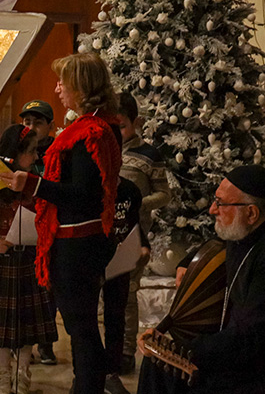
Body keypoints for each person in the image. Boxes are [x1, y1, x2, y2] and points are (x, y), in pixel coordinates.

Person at [0, 53, 122, 394]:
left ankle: (87, 387)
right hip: (78, 241)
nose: (57, 88)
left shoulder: (92, 132)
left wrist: (32, 184)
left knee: (81, 329)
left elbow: (83, 194)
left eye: (62, 82)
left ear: (80, 87)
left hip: (77, 245)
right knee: (80, 328)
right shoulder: (92, 126)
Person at [137, 165, 265, 394]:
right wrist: (185, 262)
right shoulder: (244, 233)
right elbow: (217, 243)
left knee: (164, 370)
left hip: (251, 367)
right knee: (155, 363)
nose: (212, 209)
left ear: (252, 213)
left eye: (221, 203)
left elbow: (251, 336)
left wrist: (185, 349)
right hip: (232, 346)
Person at [0, 124, 58, 394]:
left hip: (29, 258)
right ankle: (2, 375)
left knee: (26, 323)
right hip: (1, 259)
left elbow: (46, 216)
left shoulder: (36, 181)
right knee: (1, 323)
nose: (35, 157)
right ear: (15, 153)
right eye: (31, 151)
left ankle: (22, 373)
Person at [115, 93, 170, 374]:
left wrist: (139, 203)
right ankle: (110, 349)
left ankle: (125, 352)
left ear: (135, 122)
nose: (117, 132)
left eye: (122, 126)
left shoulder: (149, 154)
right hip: (106, 232)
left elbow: (164, 193)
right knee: (107, 295)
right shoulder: (103, 149)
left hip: (136, 234)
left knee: (126, 293)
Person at [17, 99, 58, 365]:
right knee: (24, 290)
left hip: (49, 228)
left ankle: (46, 342)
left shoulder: (58, 151)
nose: (31, 127)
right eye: (27, 122)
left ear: (50, 126)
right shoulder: (18, 151)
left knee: (48, 290)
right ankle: (23, 342)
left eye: (38, 123)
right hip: (22, 229)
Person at [102, 177, 148, 394]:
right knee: (87, 320)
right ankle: (86, 374)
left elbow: (134, 221)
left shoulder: (130, 189)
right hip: (93, 257)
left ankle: (111, 372)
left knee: (116, 316)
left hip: (121, 258)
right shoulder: (90, 185)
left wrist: (143, 244)